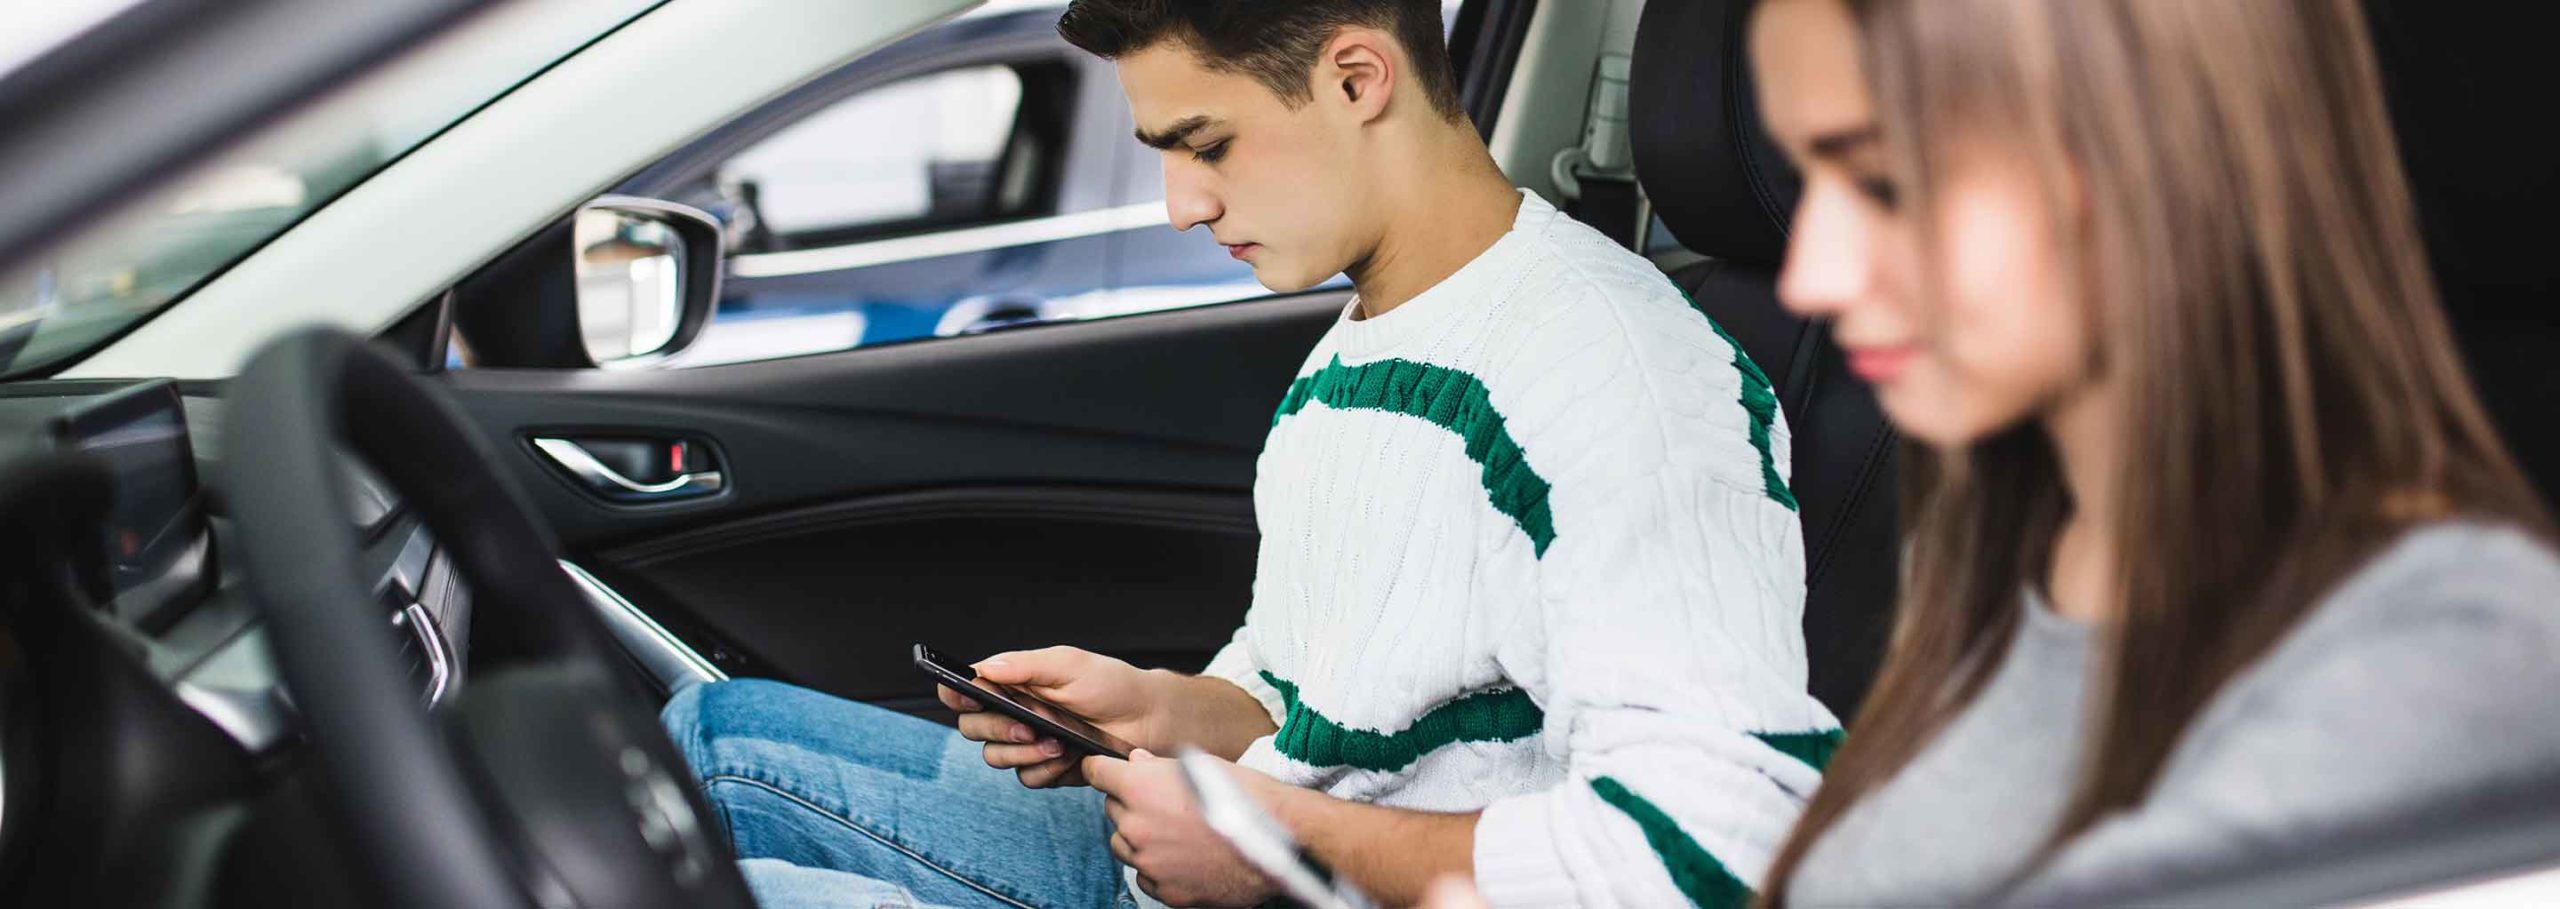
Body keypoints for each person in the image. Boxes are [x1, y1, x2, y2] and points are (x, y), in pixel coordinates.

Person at [659, 1, 1839, 906]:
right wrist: (1163, 712)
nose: (1179, 204)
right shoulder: (1372, 339)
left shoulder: (1622, 384)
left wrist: (1272, 846)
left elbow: (1712, 852)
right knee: (705, 742)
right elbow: (1313, 703)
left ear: (1354, 76)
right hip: (1233, 864)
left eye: (1206, 143)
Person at [1719, 0, 2560, 904]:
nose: (1812, 274)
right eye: (1805, 179)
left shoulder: (2438, 652)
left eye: (1886, 183)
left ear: (2159, 156)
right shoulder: (2006, 535)